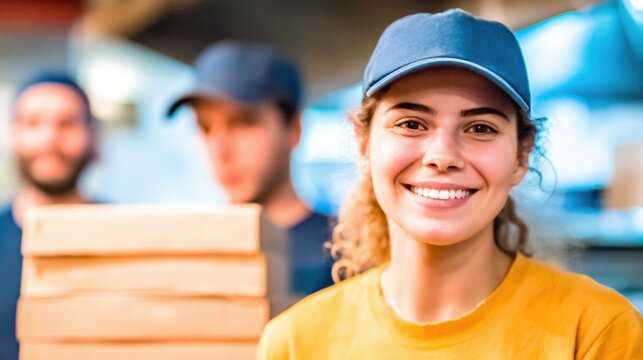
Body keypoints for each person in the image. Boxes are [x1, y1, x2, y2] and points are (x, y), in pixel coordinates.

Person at [257, 9, 643, 359]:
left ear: (522, 156)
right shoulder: (295, 344)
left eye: (479, 128)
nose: (442, 155)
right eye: (411, 124)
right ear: (364, 144)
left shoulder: (595, 331)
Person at [167, 41, 334, 315]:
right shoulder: (194, 255)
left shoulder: (347, 252)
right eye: (205, 127)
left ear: (294, 128)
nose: (220, 150)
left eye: (243, 122)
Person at [0, 72, 97, 359]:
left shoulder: (129, 241)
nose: (49, 139)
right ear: (13, 134)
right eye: (33, 123)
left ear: (92, 135)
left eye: (67, 124)